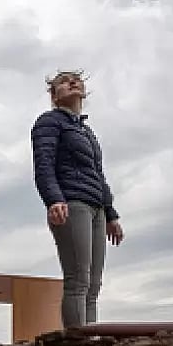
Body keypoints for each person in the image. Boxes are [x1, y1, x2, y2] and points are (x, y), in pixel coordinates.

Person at [31, 71, 124, 329]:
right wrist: (53, 199)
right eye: (63, 81)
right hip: (72, 203)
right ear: (54, 95)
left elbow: (98, 174)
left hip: (96, 208)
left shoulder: (87, 132)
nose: (72, 83)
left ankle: (90, 341)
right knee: (77, 280)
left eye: (76, 80)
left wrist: (111, 214)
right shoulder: (49, 122)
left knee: (93, 284)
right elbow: (43, 163)